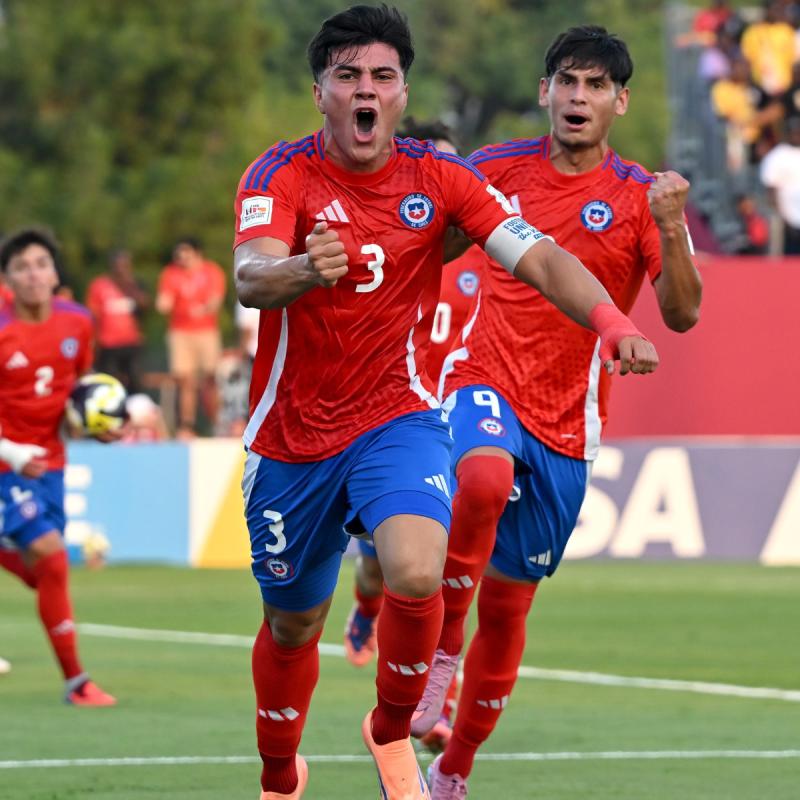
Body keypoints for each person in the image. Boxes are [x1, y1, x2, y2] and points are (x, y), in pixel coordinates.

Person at [233, 7, 657, 799]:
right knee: (292, 623)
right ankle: (279, 775)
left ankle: (392, 732)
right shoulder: (279, 173)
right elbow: (251, 275)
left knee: (416, 569)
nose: (366, 90)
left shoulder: (439, 178)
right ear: (321, 92)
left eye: (382, 76)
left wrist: (613, 321)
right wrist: (301, 270)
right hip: (291, 436)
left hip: (398, 418)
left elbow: (540, 257)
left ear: (402, 93)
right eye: (348, 76)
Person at [413, 27, 702, 797]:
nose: (579, 97)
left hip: (571, 422)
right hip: (483, 375)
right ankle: (442, 652)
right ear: (544, 91)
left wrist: (673, 226)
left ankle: (453, 770)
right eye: (567, 82)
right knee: (480, 479)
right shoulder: (493, 168)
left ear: (620, 102)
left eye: (595, 85)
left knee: (510, 610)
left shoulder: (640, 197)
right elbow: (430, 247)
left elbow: (682, 314)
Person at [342, 116, 480, 754]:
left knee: (445, 572)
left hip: (458, 420)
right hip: (395, 422)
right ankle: (366, 608)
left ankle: (430, 703)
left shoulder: (486, 254)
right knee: (381, 568)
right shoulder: (391, 249)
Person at [0, 228, 118, 706]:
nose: (33, 274)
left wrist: (97, 424)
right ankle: (77, 683)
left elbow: (78, 392)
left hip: (50, 464)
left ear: (54, 274)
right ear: (7, 280)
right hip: (6, 463)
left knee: (44, 573)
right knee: (50, 556)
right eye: (21, 267)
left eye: (41, 264)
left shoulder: (78, 322)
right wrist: (11, 453)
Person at [156, 237, 226, 438]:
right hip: (180, 332)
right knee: (185, 380)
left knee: (211, 379)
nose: (181, 257)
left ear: (197, 253)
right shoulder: (171, 273)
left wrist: (202, 309)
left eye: (186, 252)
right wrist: (164, 304)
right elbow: (164, 301)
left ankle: (217, 423)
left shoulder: (211, 271)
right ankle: (187, 426)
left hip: (206, 331)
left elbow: (216, 300)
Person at [86, 249, 150, 394]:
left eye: (125, 265)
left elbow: (145, 306)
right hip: (108, 344)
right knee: (110, 382)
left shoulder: (136, 284)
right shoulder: (99, 286)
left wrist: (129, 287)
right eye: (118, 265)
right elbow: (93, 315)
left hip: (132, 342)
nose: (121, 269)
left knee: (135, 382)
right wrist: (94, 342)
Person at [760, 115, 800, 254]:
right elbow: (771, 187)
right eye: (794, 132)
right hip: (785, 210)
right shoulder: (778, 155)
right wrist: (780, 212)